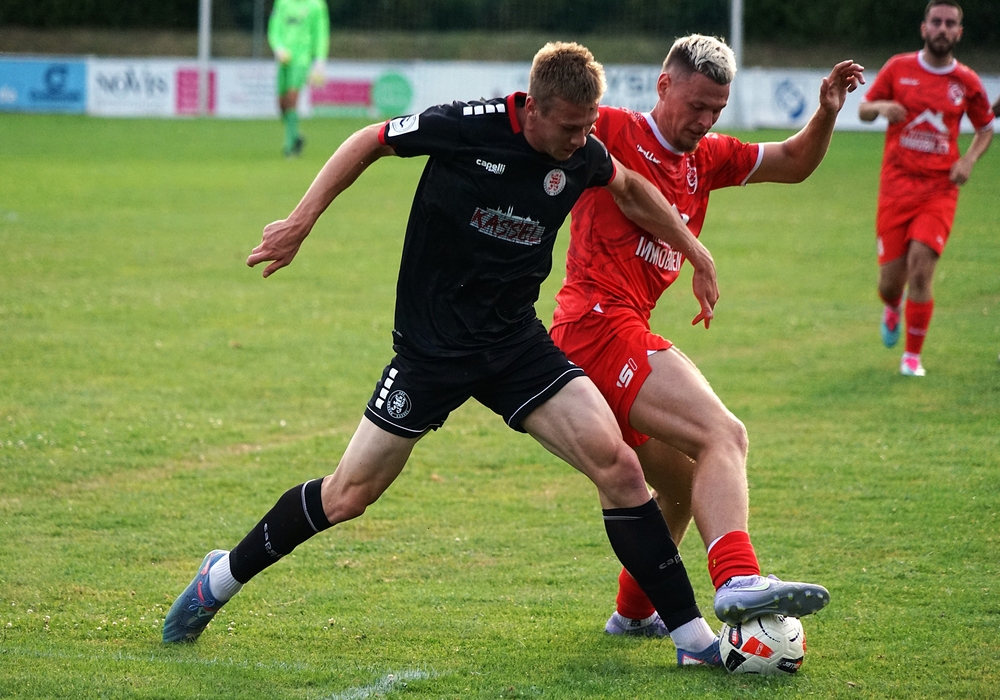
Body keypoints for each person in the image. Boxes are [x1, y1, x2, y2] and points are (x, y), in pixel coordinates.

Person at [162, 42, 762, 667]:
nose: (580, 140)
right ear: (533, 108)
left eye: (589, 126)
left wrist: (696, 252)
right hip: (432, 351)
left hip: (514, 344)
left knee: (620, 467)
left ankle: (693, 640)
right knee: (347, 496)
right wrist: (300, 221)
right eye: (569, 127)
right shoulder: (467, 126)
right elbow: (369, 140)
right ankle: (219, 578)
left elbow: (631, 188)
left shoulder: (581, 152)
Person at [548, 34, 860, 643]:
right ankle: (738, 578)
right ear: (663, 85)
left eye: (717, 109)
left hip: (611, 332)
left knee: (687, 482)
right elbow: (542, 120)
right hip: (596, 324)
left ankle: (633, 612)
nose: (705, 121)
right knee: (724, 434)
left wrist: (825, 112)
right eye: (696, 106)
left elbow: (793, 162)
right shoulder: (611, 129)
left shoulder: (707, 158)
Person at [860, 0, 993, 376]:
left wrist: (968, 160)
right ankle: (893, 306)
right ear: (924, 28)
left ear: (959, 33)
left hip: (939, 190)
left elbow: (985, 128)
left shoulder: (966, 81)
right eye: (936, 21)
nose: (942, 29)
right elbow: (863, 110)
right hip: (895, 189)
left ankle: (912, 358)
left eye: (950, 23)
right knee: (890, 283)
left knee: (921, 269)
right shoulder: (898, 68)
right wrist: (882, 108)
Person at [268, 0, 330, 157]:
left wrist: (320, 61)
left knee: (292, 98)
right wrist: (278, 48)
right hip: (283, 60)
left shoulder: (316, 5)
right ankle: (296, 135)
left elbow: (321, 33)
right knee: (282, 104)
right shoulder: (282, 3)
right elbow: (274, 28)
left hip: (302, 59)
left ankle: (290, 147)